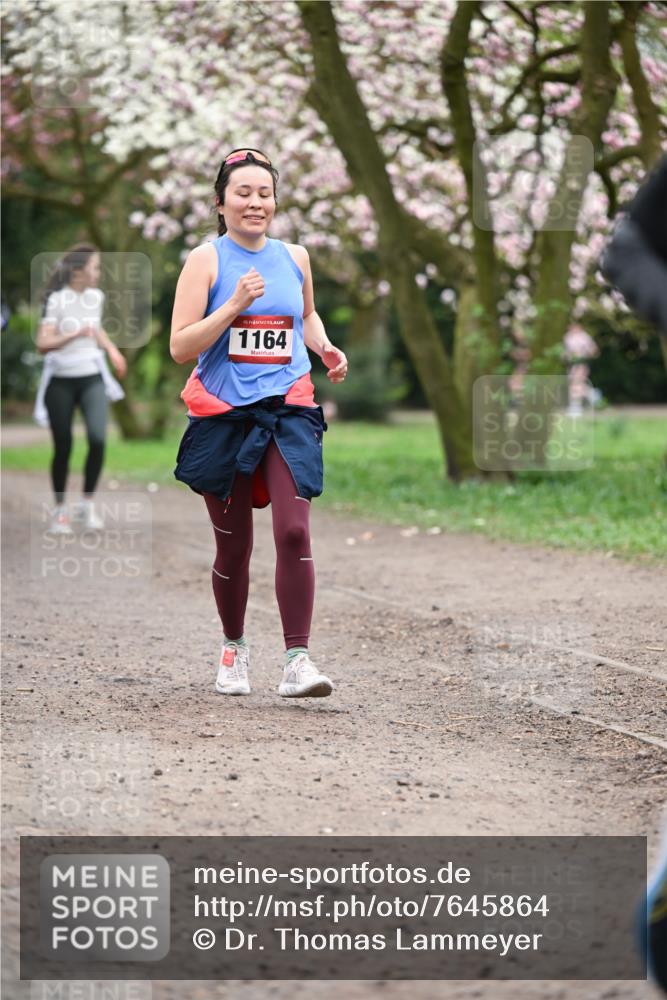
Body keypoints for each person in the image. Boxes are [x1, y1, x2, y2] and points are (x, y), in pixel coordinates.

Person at [170, 147, 348, 699]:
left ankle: (298, 660)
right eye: (243, 193)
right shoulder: (206, 260)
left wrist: (322, 346)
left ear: (276, 200)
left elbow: (307, 314)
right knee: (235, 548)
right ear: (221, 203)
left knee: (294, 530)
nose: (255, 203)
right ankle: (234, 648)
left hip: (288, 408)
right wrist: (231, 308)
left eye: (264, 193)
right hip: (225, 416)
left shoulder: (295, 257)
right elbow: (180, 346)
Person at [34, 244, 127, 534]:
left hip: (91, 377)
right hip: (61, 380)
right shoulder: (57, 300)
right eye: (95, 267)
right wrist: (74, 333)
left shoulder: (95, 297)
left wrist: (112, 350)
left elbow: (95, 328)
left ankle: (86, 505)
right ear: (78, 271)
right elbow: (42, 344)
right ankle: (60, 511)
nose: (99, 273)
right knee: (63, 445)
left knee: (98, 439)